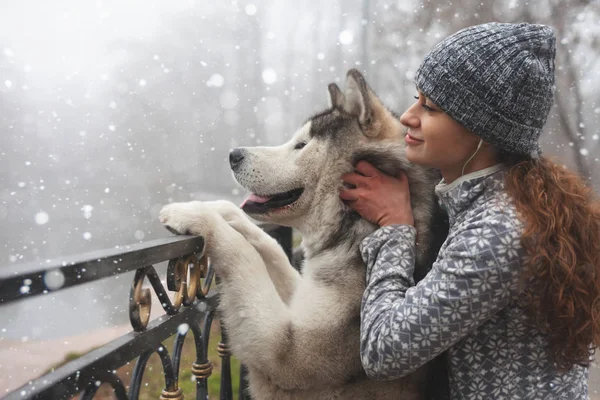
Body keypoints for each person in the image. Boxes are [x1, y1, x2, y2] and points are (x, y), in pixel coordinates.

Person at [339, 22, 600, 399]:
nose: (408, 117)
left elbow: (384, 351)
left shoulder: (498, 231)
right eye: (417, 99)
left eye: (430, 108)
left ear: (482, 130)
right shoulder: (517, 199)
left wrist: (394, 227)